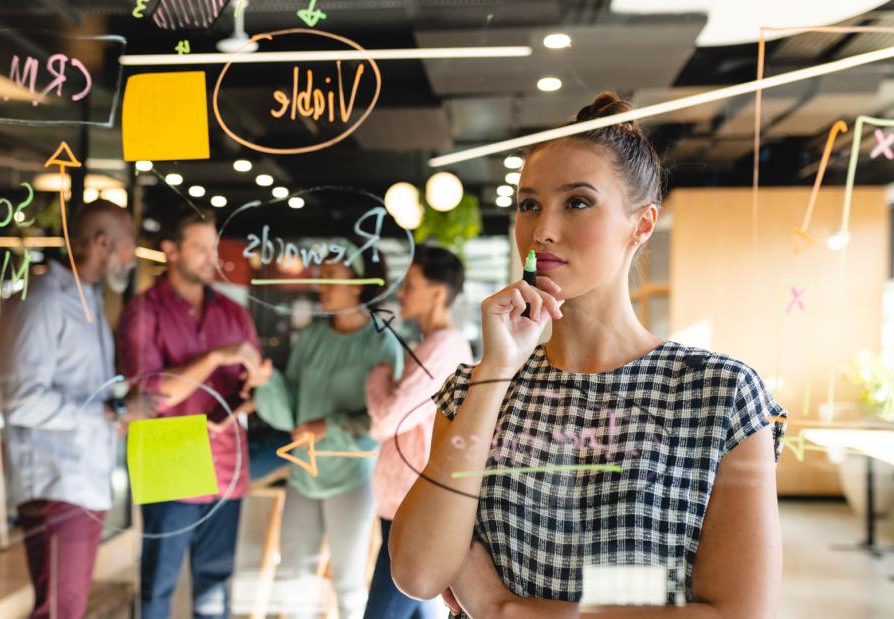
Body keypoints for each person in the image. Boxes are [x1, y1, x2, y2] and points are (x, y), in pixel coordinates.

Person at [391, 93, 786, 618]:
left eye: (577, 202)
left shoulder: (719, 393)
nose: (542, 230)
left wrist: (506, 609)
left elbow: (738, 613)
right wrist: (497, 371)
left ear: (641, 224)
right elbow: (418, 572)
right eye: (529, 204)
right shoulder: (475, 388)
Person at [117, 205, 270, 619]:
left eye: (214, 248)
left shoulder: (233, 313)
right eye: (200, 248)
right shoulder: (144, 312)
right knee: (157, 588)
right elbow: (153, 394)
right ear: (170, 250)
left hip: (225, 466)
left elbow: (253, 382)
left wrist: (256, 383)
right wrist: (217, 355)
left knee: (215, 589)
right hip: (170, 462)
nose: (212, 258)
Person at [0, 200, 143, 619]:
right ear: (102, 243)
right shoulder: (44, 300)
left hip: (82, 482)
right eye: (129, 244)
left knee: (66, 608)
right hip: (55, 482)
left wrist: (115, 405)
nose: (132, 256)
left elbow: (87, 391)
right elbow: (23, 400)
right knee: (59, 611)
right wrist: (107, 412)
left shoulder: (89, 302)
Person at [254, 252, 404, 619]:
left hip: (352, 477)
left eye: (332, 277)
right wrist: (266, 381)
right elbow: (290, 407)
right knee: (293, 580)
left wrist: (329, 425)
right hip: (303, 473)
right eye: (321, 276)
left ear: (359, 286)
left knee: (349, 584)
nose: (322, 286)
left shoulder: (382, 343)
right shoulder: (312, 336)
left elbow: (383, 419)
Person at [363, 245, 474, 619]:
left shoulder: (443, 349)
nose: (400, 293)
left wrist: (378, 375)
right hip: (405, 503)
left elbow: (385, 420)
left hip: (412, 508)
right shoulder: (433, 345)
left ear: (438, 293)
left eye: (410, 285)